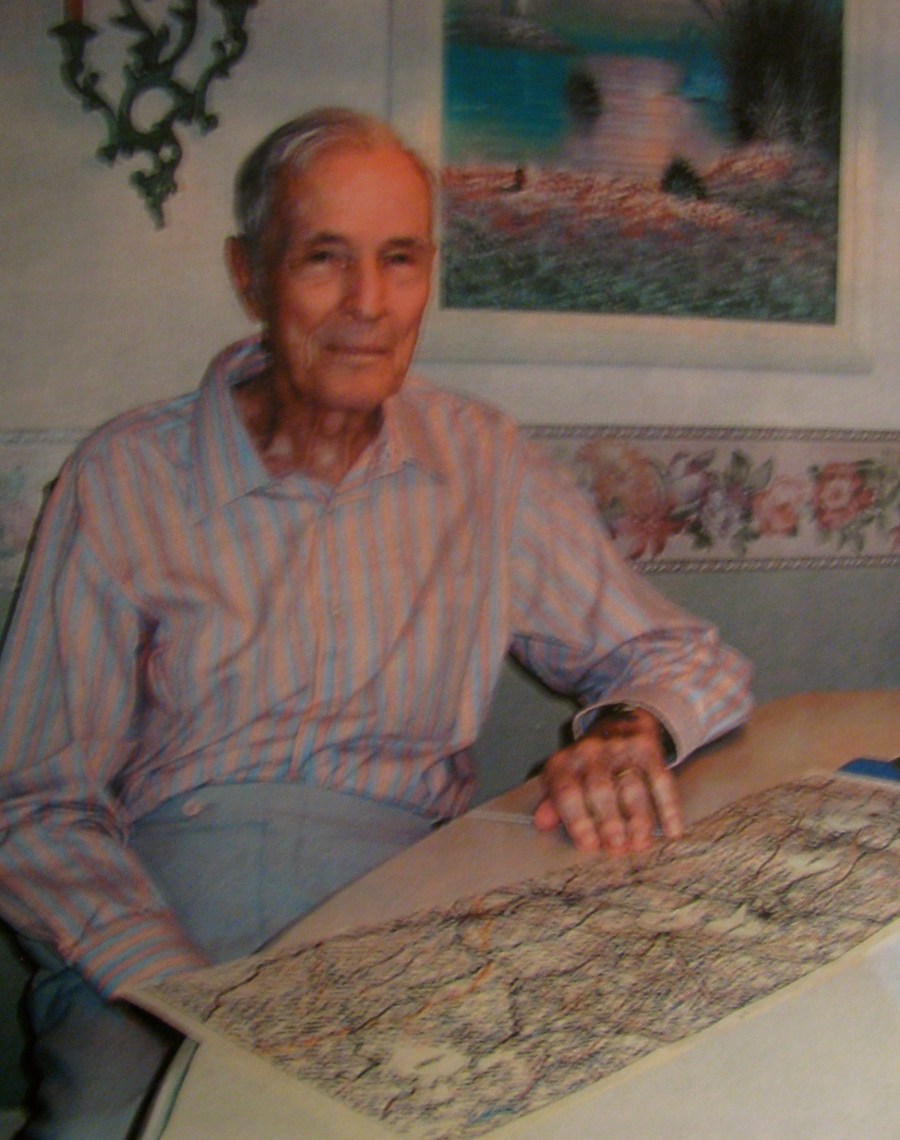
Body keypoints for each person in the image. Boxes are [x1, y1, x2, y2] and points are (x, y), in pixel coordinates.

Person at [0, 107, 753, 1138]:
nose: (368, 303)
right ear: (248, 274)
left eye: (400, 260)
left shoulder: (480, 461)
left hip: (406, 912)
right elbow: (32, 801)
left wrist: (629, 730)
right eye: (324, 258)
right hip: (153, 922)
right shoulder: (124, 477)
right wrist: (173, 988)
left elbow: (683, 655)